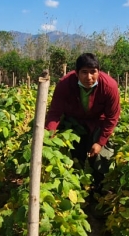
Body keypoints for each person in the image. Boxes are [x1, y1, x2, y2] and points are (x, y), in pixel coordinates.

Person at [45, 53, 121, 193]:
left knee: (100, 159)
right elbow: (55, 112)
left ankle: (100, 189)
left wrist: (100, 142)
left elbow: (112, 117)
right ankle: (75, 188)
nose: (89, 77)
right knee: (75, 156)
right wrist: (48, 137)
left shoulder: (109, 86)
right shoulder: (65, 84)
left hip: (99, 122)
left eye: (93, 72)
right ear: (76, 73)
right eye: (84, 72)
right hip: (74, 122)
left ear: (99, 71)